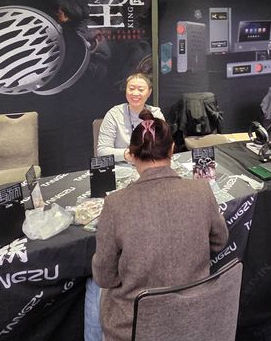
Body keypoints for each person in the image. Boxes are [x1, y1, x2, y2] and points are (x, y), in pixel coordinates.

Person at [90, 110, 229, 341]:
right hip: (195, 315)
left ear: (131, 155)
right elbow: (220, 241)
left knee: (92, 289)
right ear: (172, 149)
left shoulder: (115, 204)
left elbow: (104, 277)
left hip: (135, 326)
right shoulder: (201, 190)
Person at [97, 73, 164, 160]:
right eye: (131, 89)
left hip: (150, 163)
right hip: (122, 166)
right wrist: (128, 154)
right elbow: (102, 151)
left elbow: (164, 144)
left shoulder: (156, 114)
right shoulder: (114, 114)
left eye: (141, 90)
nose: (135, 93)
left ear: (149, 92)